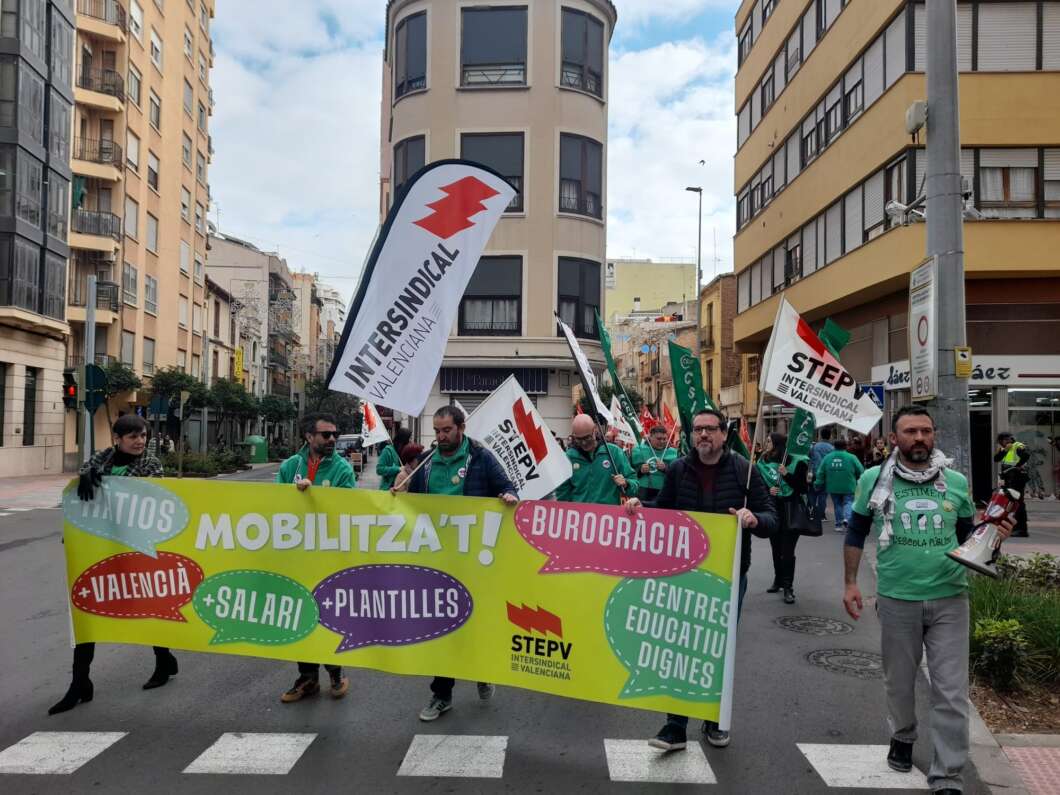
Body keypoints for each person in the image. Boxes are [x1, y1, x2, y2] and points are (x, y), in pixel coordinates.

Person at [843, 406, 1013, 795]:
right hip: (897, 597)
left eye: (925, 431)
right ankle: (903, 735)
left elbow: (973, 541)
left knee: (951, 690)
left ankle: (947, 776)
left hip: (951, 598)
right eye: (910, 431)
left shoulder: (955, 481)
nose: (919, 438)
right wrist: (850, 583)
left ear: (934, 435)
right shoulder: (873, 479)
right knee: (899, 684)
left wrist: (996, 537)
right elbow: (855, 533)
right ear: (894, 437)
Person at [648, 409, 778, 752]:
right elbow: (661, 511)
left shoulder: (744, 471)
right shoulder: (678, 470)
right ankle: (674, 727)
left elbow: (771, 518)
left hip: (729, 576)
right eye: (697, 430)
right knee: (679, 648)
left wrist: (754, 519)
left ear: (724, 433)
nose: (703, 435)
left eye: (710, 429)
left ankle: (714, 721)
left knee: (718, 650)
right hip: (684, 573)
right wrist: (637, 507)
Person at [49, 415, 178, 715]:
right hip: (98, 550)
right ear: (117, 439)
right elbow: (78, 501)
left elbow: (153, 498)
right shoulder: (97, 461)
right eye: (133, 436)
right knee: (88, 611)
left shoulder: (151, 465)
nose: (140, 441)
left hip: (137, 549)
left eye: (143, 436)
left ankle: (163, 660)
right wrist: (84, 478)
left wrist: (111, 487)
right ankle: (80, 682)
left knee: (149, 607)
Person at [398, 406, 518, 722]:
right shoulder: (426, 462)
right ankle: (441, 695)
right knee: (442, 628)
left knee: (476, 623)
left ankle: (482, 671)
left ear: (461, 428)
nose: (440, 436)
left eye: (446, 430)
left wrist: (507, 495)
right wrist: (397, 494)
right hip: (438, 560)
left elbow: (508, 487)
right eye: (436, 431)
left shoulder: (481, 457)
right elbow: (413, 507)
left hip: (474, 558)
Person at [276, 413, 356, 703]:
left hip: (328, 558)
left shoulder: (344, 469)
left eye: (334, 433)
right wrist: (292, 497)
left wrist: (317, 496)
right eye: (325, 434)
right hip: (297, 557)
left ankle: (336, 672)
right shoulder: (289, 467)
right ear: (309, 437)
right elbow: (274, 508)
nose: (332, 439)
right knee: (300, 618)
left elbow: (349, 509)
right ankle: (307, 677)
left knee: (328, 617)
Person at [758, 432, 809, 604]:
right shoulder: (763, 462)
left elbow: (803, 488)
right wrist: (768, 491)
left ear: (778, 443)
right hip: (773, 510)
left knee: (787, 552)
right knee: (776, 548)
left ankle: (788, 587)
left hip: (791, 510)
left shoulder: (797, 461)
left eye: (769, 441)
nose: (766, 443)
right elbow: (759, 487)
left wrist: (786, 473)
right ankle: (778, 580)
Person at [556, 414, 640, 506]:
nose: (584, 442)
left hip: (607, 516)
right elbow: (562, 493)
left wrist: (626, 484)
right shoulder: (569, 457)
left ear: (594, 430)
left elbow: (634, 483)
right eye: (579, 439)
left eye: (587, 437)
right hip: (579, 516)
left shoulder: (613, 452)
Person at [815, 437, 864, 531]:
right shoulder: (851, 457)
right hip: (849, 484)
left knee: (837, 504)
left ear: (834, 447)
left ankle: (838, 525)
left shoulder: (827, 457)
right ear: (845, 446)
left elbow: (820, 472)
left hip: (833, 485)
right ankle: (847, 518)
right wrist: (859, 479)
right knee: (848, 502)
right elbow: (860, 470)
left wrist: (818, 482)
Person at [994, 432, 1030, 537]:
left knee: (1018, 503)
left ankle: (1022, 529)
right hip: (1009, 479)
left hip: (1018, 478)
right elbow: (996, 459)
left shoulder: (1017, 446)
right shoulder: (1005, 449)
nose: (1002, 444)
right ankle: (1013, 526)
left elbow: (1026, 455)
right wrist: (1005, 450)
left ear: (1006, 440)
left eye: (1002, 442)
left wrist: (1018, 466)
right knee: (1010, 503)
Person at [631, 424, 678, 503]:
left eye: (664, 439)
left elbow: (677, 475)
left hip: (663, 490)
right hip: (642, 489)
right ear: (650, 437)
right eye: (659, 439)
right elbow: (630, 472)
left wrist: (665, 468)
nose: (662, 441)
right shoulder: (639, 449)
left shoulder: (673, 452)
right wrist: (640, 470)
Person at [809, 427, 835, 522]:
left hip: (814, 473)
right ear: (830, 436)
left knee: (812, 493)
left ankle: (812, 512)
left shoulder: (814, 447)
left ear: (820, 435)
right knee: (823, 495)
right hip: (826, 474)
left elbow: (809, 457)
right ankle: (821, 515)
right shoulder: (832, 448)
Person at [376, 427, 412, 491]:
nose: (410, 442)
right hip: (388, 490)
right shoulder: (387, 451)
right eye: (409, 439)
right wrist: (398, 469)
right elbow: (379, 469)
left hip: (402, 490)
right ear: (403, 440)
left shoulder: (407, 451)